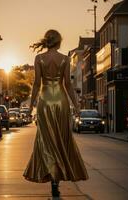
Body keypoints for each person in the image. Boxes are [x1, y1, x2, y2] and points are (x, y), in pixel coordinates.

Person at [23, 30, 88, 197]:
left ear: (47, 41)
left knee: (46, 140)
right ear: (58, 42)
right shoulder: (65, 59)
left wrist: (31, 107)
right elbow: (67, 84)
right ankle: (56, 181)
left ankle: (51, 176)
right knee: (60, 139)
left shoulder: (39, 59)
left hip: (45, 102)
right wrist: (76, 105)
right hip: (61, 101)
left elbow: (37, 84)